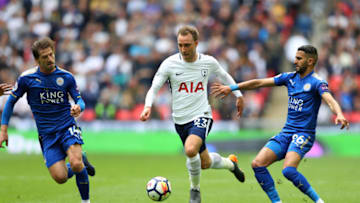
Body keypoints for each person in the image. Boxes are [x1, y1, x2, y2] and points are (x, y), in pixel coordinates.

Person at [211, 45, 349, 203]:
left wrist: (338, 113)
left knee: (288, 171)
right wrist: (233, 87)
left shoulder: (317, 82)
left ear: (310, 61)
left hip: (304, 134)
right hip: (286, 133)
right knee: (257, 164)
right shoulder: (289, 77)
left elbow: (329, 99)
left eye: (299, 58)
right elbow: (259, 83)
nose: (295, 61)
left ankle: (319, 201)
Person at [139, 25, 245, 203]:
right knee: (204, 162)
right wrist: (147, 106)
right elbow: (154, 87)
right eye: (180, 45)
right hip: (180, 120)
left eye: (187, 45)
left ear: (196, 43)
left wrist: (238, 95)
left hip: (202, 114)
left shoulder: (208, 62)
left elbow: (225, 76)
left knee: (190, 149)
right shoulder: (169, 64)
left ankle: (194, 192)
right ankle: (230, 163)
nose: (183, 49)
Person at [0, 37, 95, 203]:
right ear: (37, 60)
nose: (50, 59)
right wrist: (3, 130)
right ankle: (83, 160)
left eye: (51, 54)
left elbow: (80, 100)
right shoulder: (26, 79)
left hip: (67, 127)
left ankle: (85, 201)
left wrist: (79, 107)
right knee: (60, 177)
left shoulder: (66, 77)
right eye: (45, 57)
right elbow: (10, 103)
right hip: (47, 135)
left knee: (75, 163)